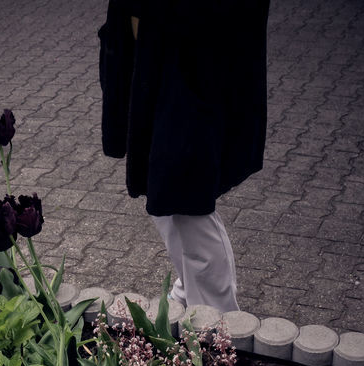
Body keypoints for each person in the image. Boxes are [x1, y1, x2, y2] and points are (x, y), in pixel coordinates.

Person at [99, 0, 270, 312]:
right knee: (162, 191)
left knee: (185, 197)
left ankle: (217, 321)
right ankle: (188, 291)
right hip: (151, 55)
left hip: (192, 64)